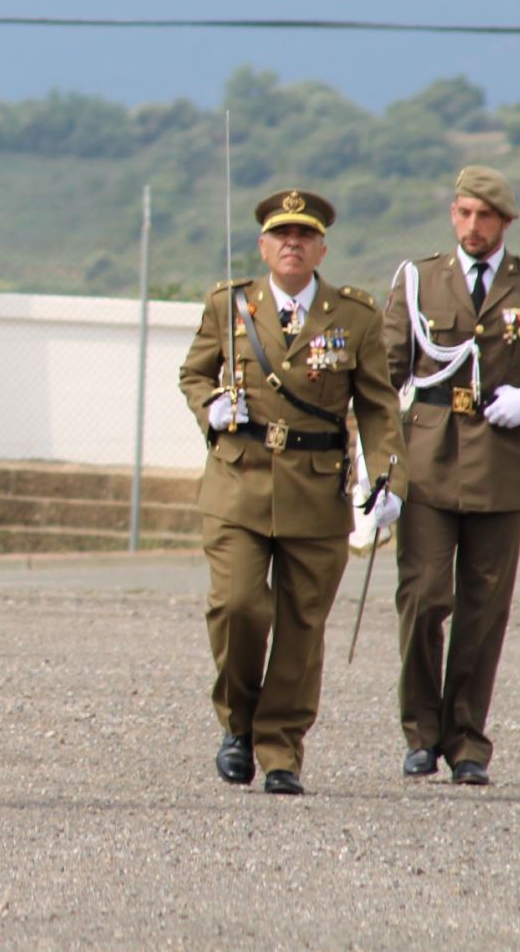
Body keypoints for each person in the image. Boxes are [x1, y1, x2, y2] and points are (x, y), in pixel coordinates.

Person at [177, 188, 405, 795]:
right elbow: (193, 372)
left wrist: (387, 477)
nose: (292, 244)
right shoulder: (230, 306)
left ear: (321, 247)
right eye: (281, 235)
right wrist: (211, 406)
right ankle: (237, 723)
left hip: (315, 490)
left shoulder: (354, 316)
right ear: (263, 245)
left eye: (304, 235)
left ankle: (280, 749)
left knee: (302, 627)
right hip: (238, 481)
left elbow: (379, 407)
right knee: (237, 607)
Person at [382, 166, 520, 785]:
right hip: (426, 458)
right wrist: (373, 462)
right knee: (423, 598)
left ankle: (467, 741)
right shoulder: (419, 281)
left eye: (486, 217)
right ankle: (421, 733)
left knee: (483, 609)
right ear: (454, 214)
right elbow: (387, 373)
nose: (474, 226)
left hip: (501, 463)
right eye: (465, 213)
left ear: (505, 223)